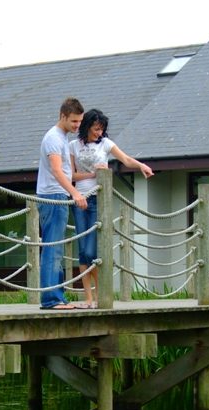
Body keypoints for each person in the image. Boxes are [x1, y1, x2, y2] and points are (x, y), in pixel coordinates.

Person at [70, 109, 153, 307]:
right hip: (80, 198)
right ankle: (88, 298)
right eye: (96, 128)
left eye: (102, 129)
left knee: (92, 251)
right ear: (87, 126)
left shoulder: (106, 144)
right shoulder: (73, 145)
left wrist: (141, 166)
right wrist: (94, 173)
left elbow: (125, 159)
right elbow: (71, 176)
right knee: (82, 250)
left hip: (98, 199)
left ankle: (101, 295)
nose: (99, 133)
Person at [36, 97, 87, 310]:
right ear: (63, 116)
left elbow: (66, 170)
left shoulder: (62, 137)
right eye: (74, 121)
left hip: (58, 196)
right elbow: (57, 170)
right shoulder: (54, 138)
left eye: (79, 122)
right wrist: (75, 193)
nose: (77, 126)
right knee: (53, 248)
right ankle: (51, 299)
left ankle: (58, 296)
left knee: (56, 247)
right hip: (54, 197)